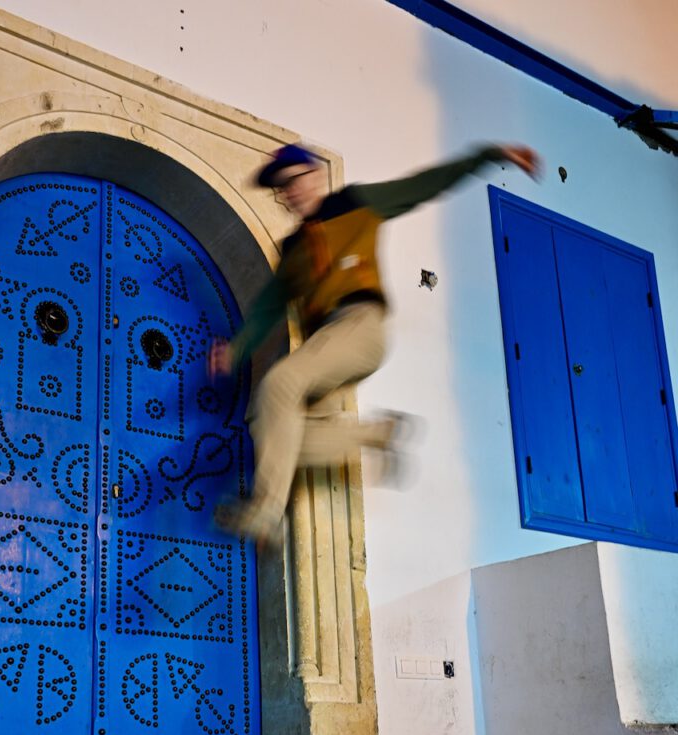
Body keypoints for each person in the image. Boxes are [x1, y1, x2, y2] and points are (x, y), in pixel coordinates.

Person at [208, 141, 540, 546]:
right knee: (270, 426)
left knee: (280, 383)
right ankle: (377, 433)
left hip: (360, 324)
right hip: (327, 342)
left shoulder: (356, 204)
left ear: (315, 176)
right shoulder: (292, 250)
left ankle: (265, 513)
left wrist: (489, 156)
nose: (289, 194)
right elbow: (268, 308)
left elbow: (423, 185)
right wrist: (237, 349)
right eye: (280, 188)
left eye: (293, 181)